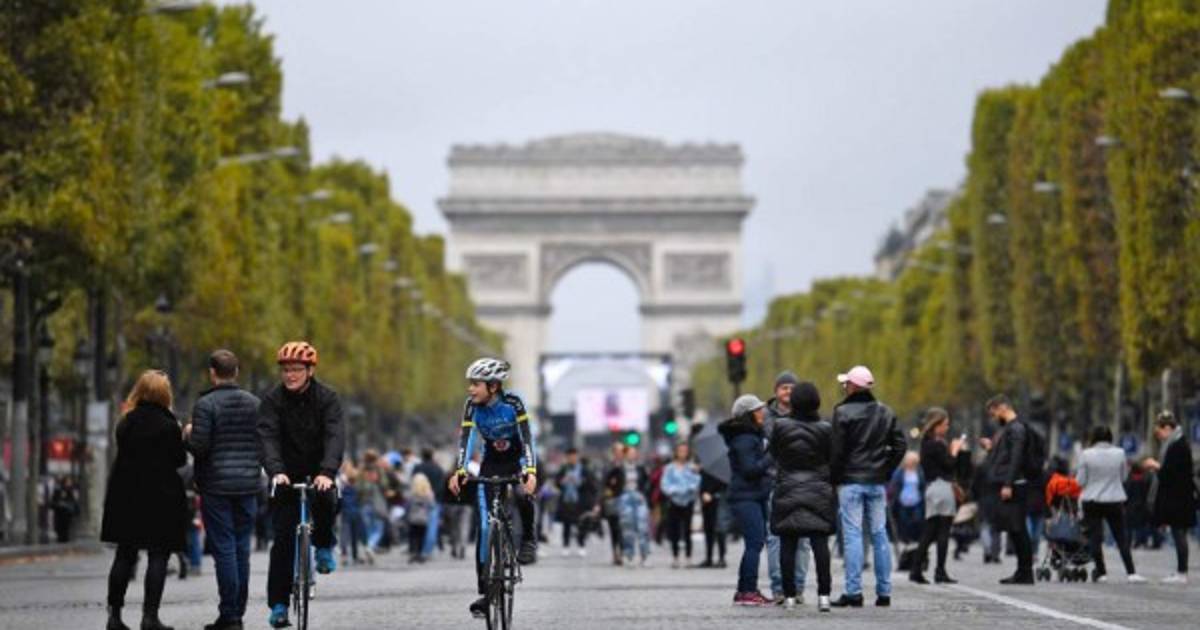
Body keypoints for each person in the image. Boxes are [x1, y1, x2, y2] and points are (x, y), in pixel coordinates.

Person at [258, 341, 346, 628]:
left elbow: (335, 436)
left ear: (310, 371)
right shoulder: (272, 400)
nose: (290, 375)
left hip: (319, 468)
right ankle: (279, 605)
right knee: (282, 539)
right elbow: (267, 437)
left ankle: (323, 544)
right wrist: (276, 471)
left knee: (326, 498)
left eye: (296, 369)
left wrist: (328, 471)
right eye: (285, 370)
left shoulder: (328, 398)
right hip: (285, 472)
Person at [447, 358, 539, 618]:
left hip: (517, 459)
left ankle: (528, 539)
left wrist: (530, 471)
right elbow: (466, 439)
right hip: (491, 463)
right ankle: (485, 593)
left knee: (522, 493)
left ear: (493, 386)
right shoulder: (471, 406)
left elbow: (527, 437)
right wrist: (460, 470)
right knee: (486, 528)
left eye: (475, 384)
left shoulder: (514, 403)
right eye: (470, 384)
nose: (470, 389)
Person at [101, 370, 188, 630]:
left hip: (127, 495)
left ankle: (114, 615)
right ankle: (150, 617)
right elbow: (179, 460)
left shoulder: (126, 422)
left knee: (124, 554)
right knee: (158, 556)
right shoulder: (169, 425)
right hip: (160, 497)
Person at [184, 349, 262, 630]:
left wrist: (187, 434)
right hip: (248, 485)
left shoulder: (205, 405)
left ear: (212, 373)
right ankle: (237, 611)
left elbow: (200, 447)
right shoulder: (255, 404)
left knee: (224, 549)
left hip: (216, 486)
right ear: (236, 372)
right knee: (242, 549)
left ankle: (229, 615)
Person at [829, 365, 905, 607]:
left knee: (852, 535)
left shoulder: (842, 412)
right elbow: (900, 445)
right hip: (876, 482)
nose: (844, 387)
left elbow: (837, 451)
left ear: (853, 386)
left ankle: (854, 592)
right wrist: (886, 470)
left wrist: (834, 478)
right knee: (879, 535)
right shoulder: (886, 412)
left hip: (850, 481)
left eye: (846, 384)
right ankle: (884, 592)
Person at [769, 381, 837, 612]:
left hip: (788, 488)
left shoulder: (780, 426)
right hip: (818, 489)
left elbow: (774, 454)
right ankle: (824, 596)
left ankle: (789, 596)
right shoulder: (826, 429)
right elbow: (832, 458)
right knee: (820, 545)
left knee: (787, 544)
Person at [720, 394, 773, 606]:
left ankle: (745, 589)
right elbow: (750, 469)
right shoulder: (745, 439)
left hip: (752, 495)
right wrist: (770, 457)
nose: (762, 413)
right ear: (748, 415)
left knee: (754, 542)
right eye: (758, 410)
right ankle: (748, 590)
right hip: (746, 496)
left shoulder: (750, 436)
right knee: (755, 542)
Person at [1076, 425, 1145, 584]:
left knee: (1095, 537)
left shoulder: (1086, 454)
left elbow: (1080, 481)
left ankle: (1102, 573)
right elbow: (1124, 477)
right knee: (1121, 537)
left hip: (1092, 500)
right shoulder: (1120, 453)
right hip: (1114, 499)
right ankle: (1131, 572)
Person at [763, 371, 810, 603]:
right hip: (776, 480)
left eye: (792, 388)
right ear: (776, 391)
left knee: (803, 539)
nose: (788, 392)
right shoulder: (765, 417)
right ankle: (779, 588)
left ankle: (798, 587)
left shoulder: (808, 415)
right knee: (775, 538)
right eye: (784, 387)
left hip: (802, 481)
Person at [909, 408, 968, 585]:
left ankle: (916, 569)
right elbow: (949, 465)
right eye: (945, 424)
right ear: (936, 425)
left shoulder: (926, 443)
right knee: (943, 530)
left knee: (929, 530)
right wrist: (955, 450)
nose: (947, 428)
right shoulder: (936, 444)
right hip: (942, 487)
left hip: (932, 488)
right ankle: (940, 571)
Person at [984, 394, 1034, 585]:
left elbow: (1016, 457)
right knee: (1015, 529)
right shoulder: (1011, 429)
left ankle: (1025, 572)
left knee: (1018, 529)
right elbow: (1008, 456)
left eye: (994, 413)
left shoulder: (1016, 428)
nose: (994, 418)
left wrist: (1008, 484)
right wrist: (991, 449)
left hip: (1015, 485)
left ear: (1003, 407)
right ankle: (1022, 571)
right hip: (1013, 482)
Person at [1144, 411, 1196, 584]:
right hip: (1180, 497)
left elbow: (1170, 474)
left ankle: (1182, 572)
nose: (1158, 436)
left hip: (1180, 499)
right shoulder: (1177, 443)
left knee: (1179, 534)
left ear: (1167, 428)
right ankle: (1181, 571)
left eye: (1159, 431)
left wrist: (1155, 465)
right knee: (1178, 534)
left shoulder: (1177, 445)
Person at [660, 442, 701, 568]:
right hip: (674, 500)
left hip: (688, 500)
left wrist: (689, 488)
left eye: (685, 451)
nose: (682, 453)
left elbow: (696, 481)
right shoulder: (669, 468)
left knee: (688, 530)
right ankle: (675, 557)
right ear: (676, 452)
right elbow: (664, 484)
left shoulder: (692, 467)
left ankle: (688, 557)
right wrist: (674, 491)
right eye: (680, 451)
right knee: (674, 530)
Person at [614, 445, 652, 567]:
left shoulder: (641, 468)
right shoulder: (619, 469)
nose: (632, 455)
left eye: (634, 453)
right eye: (630, 453)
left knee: (643, 528)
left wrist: (644, 494)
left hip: (639, 498)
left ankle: (644, 555)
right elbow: (611, 483)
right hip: (625, 499)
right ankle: (629, 555)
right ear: (625, 455)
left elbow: (648, 482)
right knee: (627, 528)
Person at [555, 447, 597, 557]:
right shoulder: (564, 469)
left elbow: (591, 485)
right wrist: (563, 481)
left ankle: (581, 545)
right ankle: (566, 546)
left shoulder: (584, 470)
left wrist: (579, 482)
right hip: (566, 500)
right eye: (570, 456)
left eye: (574, 456)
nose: (572, 458)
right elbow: (557, 482)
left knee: (581, 524)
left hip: (580, 501)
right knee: (566, 524)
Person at [413, 448, 446, 559]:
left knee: (418, 525)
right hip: (434, 500)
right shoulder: (438, 469)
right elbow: (442, 486)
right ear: (432, 455)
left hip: (419, 500)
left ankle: (417, 549)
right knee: (432, 527)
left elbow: (413, 482)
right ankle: (427, 551)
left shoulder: (418, 468)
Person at [889, 451, 925, 547]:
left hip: (916, 500)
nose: (911, 462)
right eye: (910, 460)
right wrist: (895, 496)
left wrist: (923, 495)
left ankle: (915, 538)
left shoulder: (919, 471)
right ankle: (905, 539)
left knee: (917, 519)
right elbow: (894, 483)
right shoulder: (900, 471)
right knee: (903, 521)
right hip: (902, 500)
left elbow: (922, 484)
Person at [602, 442, 629, 565]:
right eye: (617, 451)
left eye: (621, 451)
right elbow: (604, 482)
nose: (619, 453)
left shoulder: (627, 465)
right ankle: (615, 552)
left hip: (626, 500)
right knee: (614, 528)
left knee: (623, 528)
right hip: (612, 499)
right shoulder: (609, 465)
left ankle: (622, 553)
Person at [698, 469, 728, 568]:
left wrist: (713, 496)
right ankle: (709, 558)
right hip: (706, 503)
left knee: (720, 529)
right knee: (708, 529)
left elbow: (726, 487)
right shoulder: (705, 470)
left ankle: (721, 558)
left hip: (719, 502)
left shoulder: (723, 471)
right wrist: (703, 494)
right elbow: (702, 485)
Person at [406, 473, 436, 563]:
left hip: (412, 518)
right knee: (421, 537)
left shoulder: (411, 493)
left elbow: (407, 505)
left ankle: (414, 553)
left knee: (413, 536)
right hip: (424, 518)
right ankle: (420, 553)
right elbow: (432, 505)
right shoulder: (428, 493)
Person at [50, 475, 80, 543]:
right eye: (67, 482)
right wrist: (60, 504)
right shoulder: (58, 491)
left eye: (70, 482)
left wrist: (75, 511)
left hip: (68, 516)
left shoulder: (72, 491)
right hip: (60, 517)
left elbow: (75, 503)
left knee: (68, 534)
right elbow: (53, 503)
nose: (69, 483)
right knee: (61, 535)